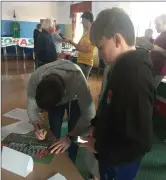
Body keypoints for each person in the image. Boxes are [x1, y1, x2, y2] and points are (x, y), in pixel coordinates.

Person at [79, 8, 156, 180]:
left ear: (117, 40)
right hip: (109, 149)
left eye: (101, 47)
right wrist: (96, 124)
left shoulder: (135, 79)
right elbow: (108, 102)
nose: (99, 54)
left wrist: (98, 147)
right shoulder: (118, 67)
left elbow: (140, 143)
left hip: (121, 162)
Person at [27, 59, 95, 163]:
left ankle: (71, 159)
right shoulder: (36, 77)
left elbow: (89, 113)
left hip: (75, 98)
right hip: (55, 95)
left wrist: (70, 137)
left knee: (75, 130)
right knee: (54, 128)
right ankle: (55, 157)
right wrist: (37, 126)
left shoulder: (77, 78)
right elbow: (31, 107)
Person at [67, 12, 95, 79]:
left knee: (81, 84)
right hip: (81, 61)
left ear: (88, 20)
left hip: (85, 63)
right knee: (79, 82)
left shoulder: (91, 33)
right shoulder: (86, 32)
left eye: (83, 20)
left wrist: (71, 42)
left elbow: (85, 49)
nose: (81, 22)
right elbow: (79, 46)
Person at [151, 14, 166, 87]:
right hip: (153, 67)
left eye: (158, 24)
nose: (156, 26)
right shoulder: (161, 35)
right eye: (155, 24)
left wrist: (157, 48)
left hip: (159, 69)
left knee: (150, 91)